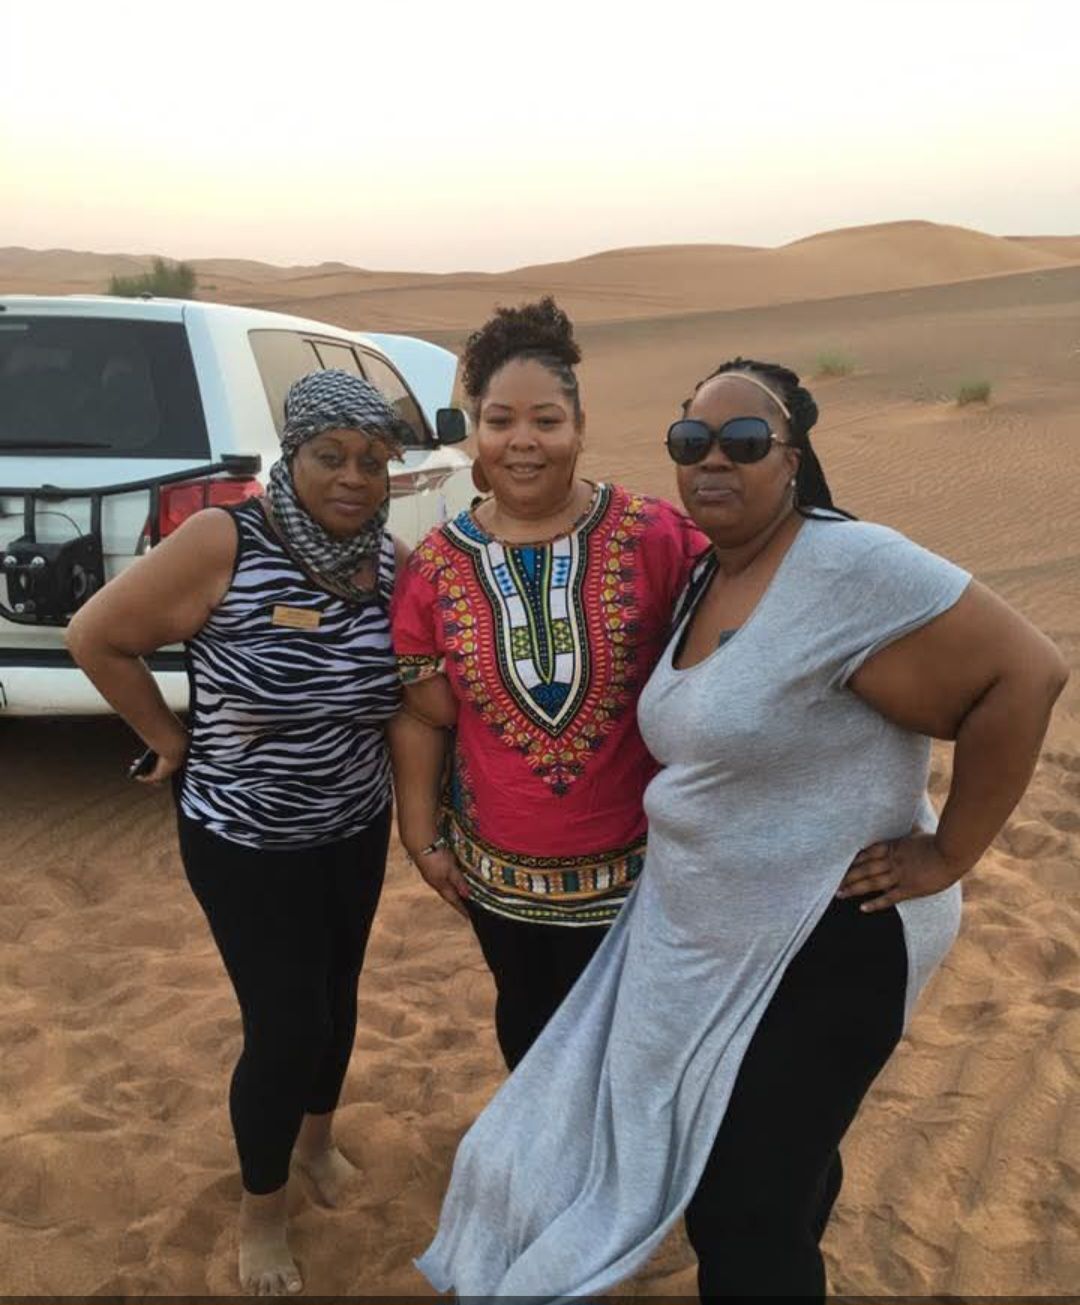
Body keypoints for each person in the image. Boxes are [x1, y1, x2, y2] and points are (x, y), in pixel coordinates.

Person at [415, 358, 1069, 1301]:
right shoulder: (715, 571)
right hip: (724, 938)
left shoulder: (848, 562)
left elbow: (1028, 674)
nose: (712, 460)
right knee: (773, 1169)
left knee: (741, 1207)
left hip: (832, 931)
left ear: (793, 457)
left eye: (744, 441)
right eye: (691, 443)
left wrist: (949, 852)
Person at [66, 369, 411, 1297]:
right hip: (245, 838)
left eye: (374, 462)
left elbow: (414, 698)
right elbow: (94, 636)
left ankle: (317, 1144)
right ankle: (262, 1212)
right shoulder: (227, 536)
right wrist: (169, 740)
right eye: (331, 457)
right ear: (289, 456)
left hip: (354, 822)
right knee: (286, 1022)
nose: (354, 478)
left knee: (338, 997)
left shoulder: (392, 561)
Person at [390, 297, 707, 1070]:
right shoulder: (435, 564)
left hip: (646, 873)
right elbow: (424, 715)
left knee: (640, 1051)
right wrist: (421, 835)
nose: (522, 443)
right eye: (500, 421)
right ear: (474, 431)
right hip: (499, 882)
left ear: (580, 424)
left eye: (546, 421)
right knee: (530, 1039)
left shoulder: (655, 536)